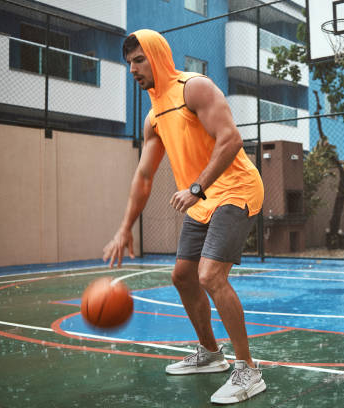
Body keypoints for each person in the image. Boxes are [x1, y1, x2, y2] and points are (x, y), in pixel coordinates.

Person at [102, 29, 266, 404]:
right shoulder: (155, 116)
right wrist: (125, 227)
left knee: (210, 274)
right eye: (129, 63)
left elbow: (231, 139)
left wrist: (195, 188)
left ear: (158, 57)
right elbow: (144, 176)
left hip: (237, 189)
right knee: (182, 276)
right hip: (203, 199)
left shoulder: (195, 88)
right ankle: (210, 353)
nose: (133, 69)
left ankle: (249, 371)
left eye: (139, 59)